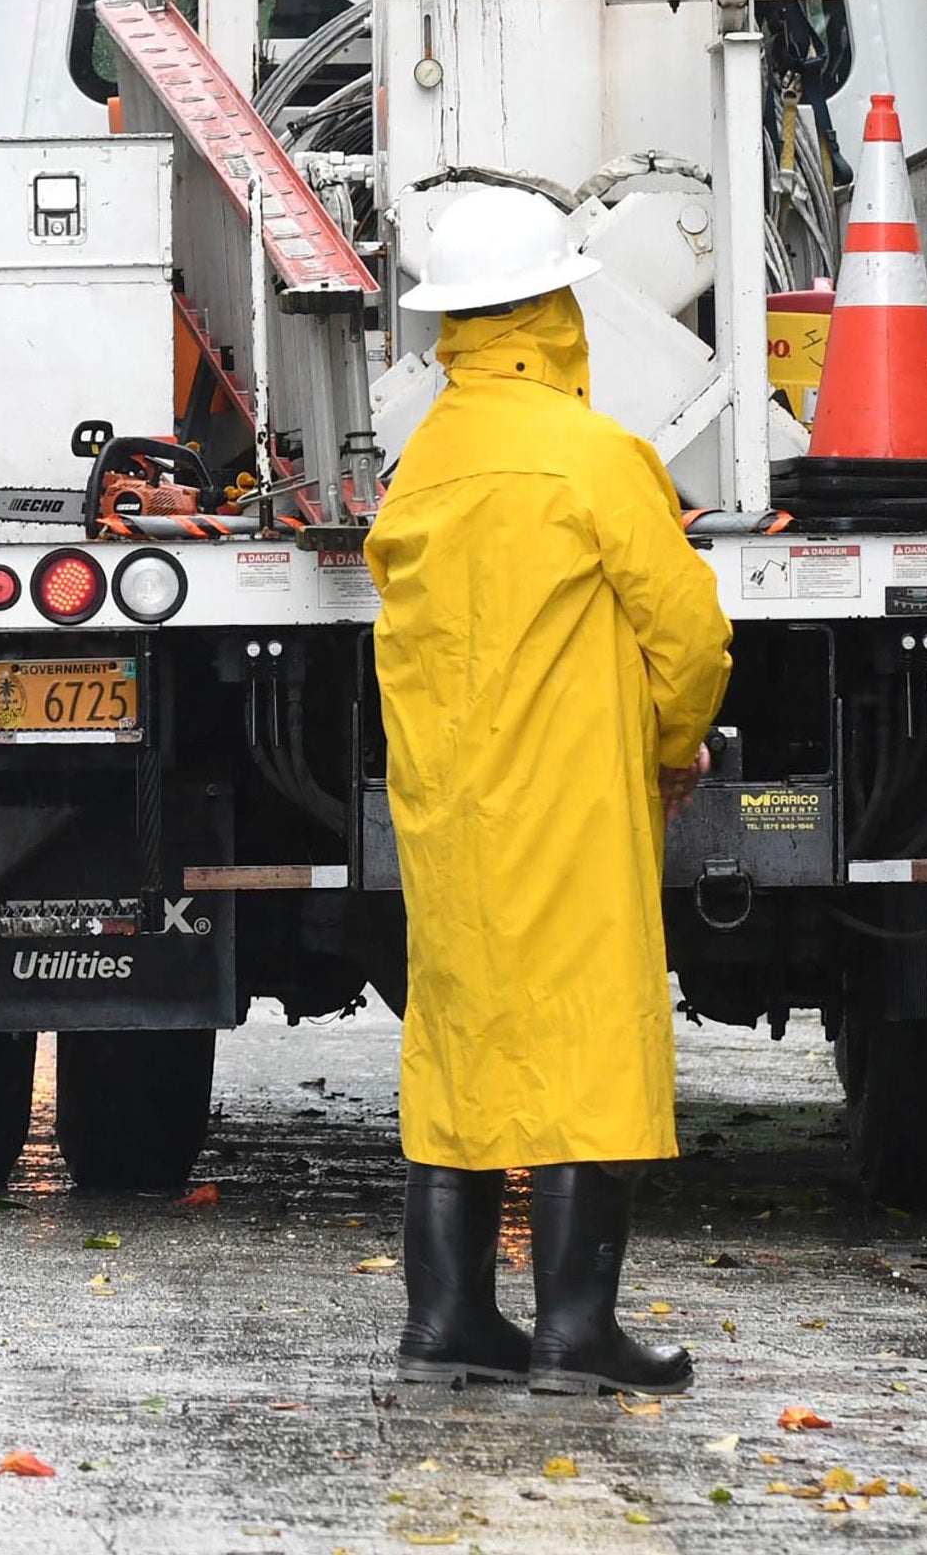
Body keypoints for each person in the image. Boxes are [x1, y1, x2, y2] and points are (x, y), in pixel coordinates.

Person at [367, 183, 734, 1395]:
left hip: (447, 808)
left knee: (461, 1032)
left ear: (452, 328)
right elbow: (687, 634)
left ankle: (447, 1322)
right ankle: (577, 1329)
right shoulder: (593, 457)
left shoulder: (420, 470)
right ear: (556, 306)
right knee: (583, 1035)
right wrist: (673, 745)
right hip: (571, 797)